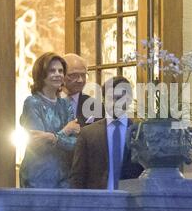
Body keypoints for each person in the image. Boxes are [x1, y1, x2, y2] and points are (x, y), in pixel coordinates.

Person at [69, 76, 143, 190]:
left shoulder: (140, 133)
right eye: (110, 98)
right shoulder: (87, 134)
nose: (114, 103)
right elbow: (77, 176)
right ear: (103, 99)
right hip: (97, 202)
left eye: (119, 98)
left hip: (131, 201)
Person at [20, 52, 81, 188]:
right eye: (52, 71)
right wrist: (65, 131)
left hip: (64, 178)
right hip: (37, 177)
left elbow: (75, 143)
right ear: (41, 75)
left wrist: (52, 137)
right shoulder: (32, 103)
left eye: (60, 71)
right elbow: (37, 143)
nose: (58, 74)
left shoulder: (65, 105)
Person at [63, 53, 103, 127]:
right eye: (74, 75)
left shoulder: (95, 106)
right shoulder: (45, 101)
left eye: (83, 75)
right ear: (61, 74)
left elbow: (98, 136)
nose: (80, 80)